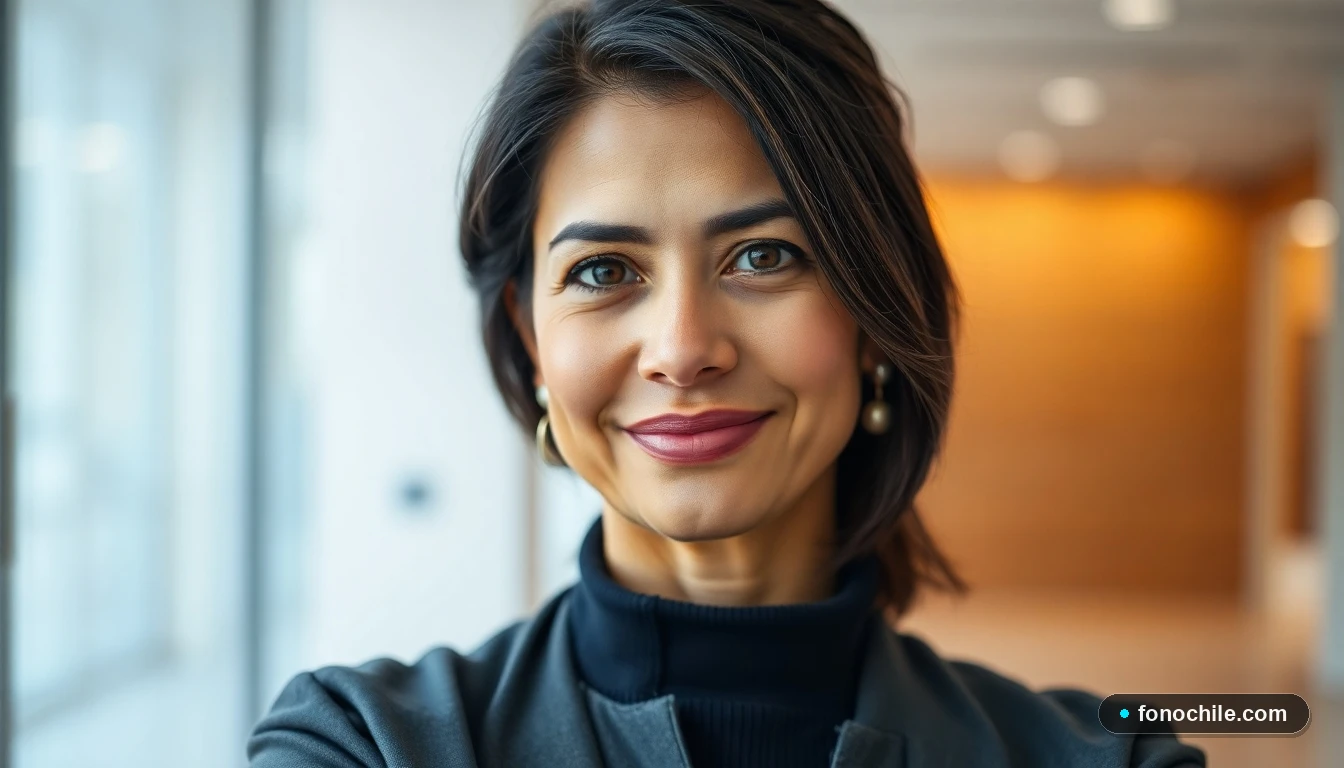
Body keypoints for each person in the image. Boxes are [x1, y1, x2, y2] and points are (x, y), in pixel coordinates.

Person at [247, 1, 1207, 766]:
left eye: (761, 256)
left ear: (876, 310)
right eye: (602, 271)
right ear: (530, 338)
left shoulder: (1107, 758)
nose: (683, 348)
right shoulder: (364, 745)